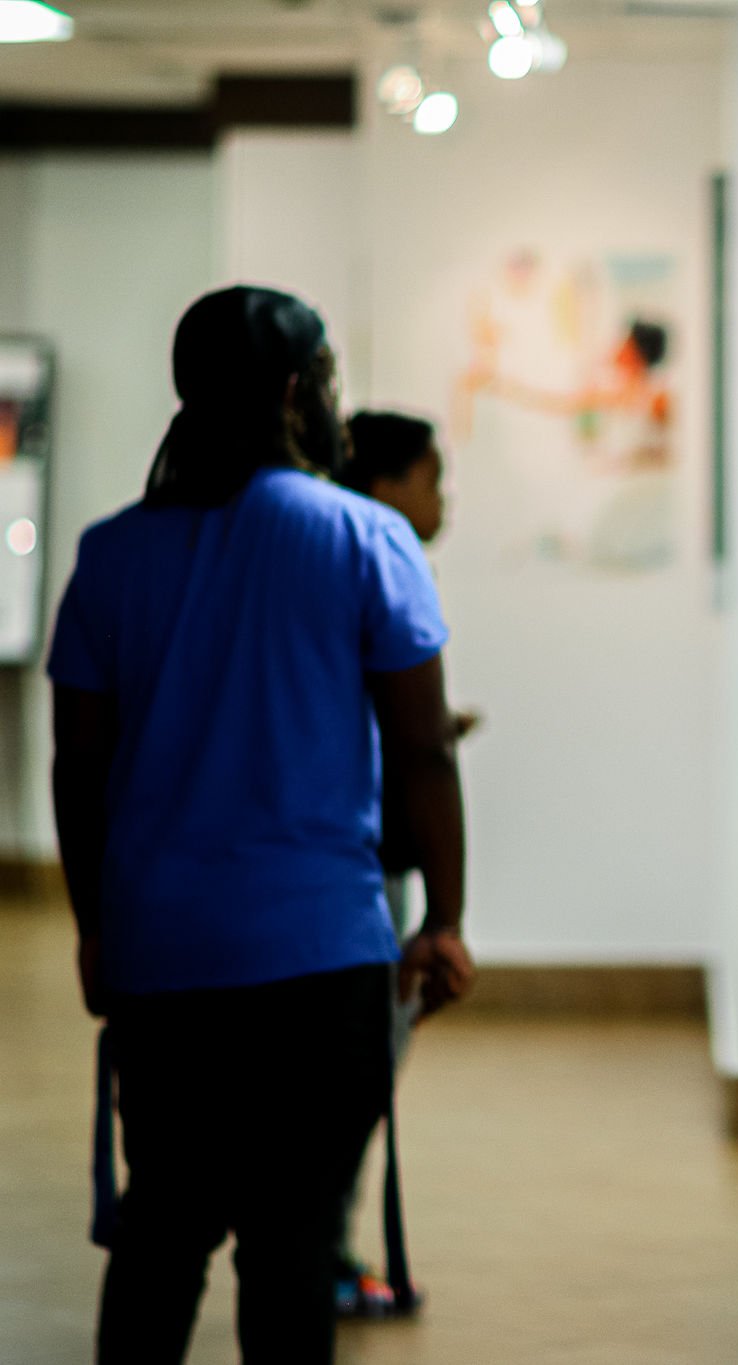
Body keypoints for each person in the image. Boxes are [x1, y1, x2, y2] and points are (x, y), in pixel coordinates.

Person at [48, 285, 475, 1365]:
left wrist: (95, 927)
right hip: (317, 960)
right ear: (298, 393)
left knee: (160, 1237)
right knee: (290, 1254)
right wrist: (443, 919)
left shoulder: (111, 555)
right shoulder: (364, 537)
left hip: (162, 957)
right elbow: (422, 748)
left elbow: (78, 767)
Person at [330, 409, 478, 1318]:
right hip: (363, 872)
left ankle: (324, 1252)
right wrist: (446, 915)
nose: (443, 499)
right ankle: (332, 1259)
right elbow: (413, 745)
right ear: (386, 487)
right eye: (433, 477)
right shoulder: (381, 556)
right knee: (355, 1081)